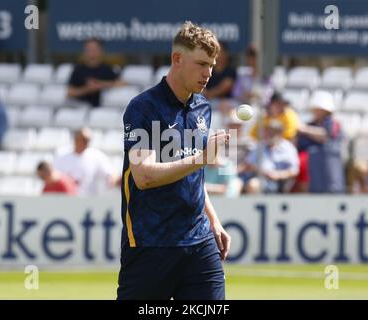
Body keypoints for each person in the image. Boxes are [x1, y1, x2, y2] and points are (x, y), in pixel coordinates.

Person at [117, 21, 231, 300]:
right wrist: (201, 158)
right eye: (202, 64)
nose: (208, 73)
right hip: (151, 242)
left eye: (212, 65)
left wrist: (213, 220)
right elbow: (144, 177)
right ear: (177, 59)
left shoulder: (203, 107)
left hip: (199, 241)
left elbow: (192, 175)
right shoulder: (143, 107)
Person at [297, 90, 345, 193]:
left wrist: (305, 130)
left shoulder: (333, 123)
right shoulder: (311, 124)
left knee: (332, 190)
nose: (317, 112)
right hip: (313, 171)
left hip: (330, 167)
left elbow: (325, 135)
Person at [238, 120, 299, 194]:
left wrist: (278, 174)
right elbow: (248, 164)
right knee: (237, 183)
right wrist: (260, 170)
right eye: (268, 131)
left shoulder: (288, 148)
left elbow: (294, 171)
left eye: (274, 132)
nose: (270, 134)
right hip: (257, 176)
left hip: (278, 182)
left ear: (280, 133)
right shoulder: (260, 146)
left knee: (253, 184)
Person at [53, 127, 118, 196]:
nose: (86, 143)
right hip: (65, 201)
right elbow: (53, 176)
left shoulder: (96, 155)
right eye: (84, 140)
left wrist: (112, 179)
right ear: (75, 139)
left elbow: (111, 173)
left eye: (88, 140)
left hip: (89, 202)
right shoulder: (61, 154)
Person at [67, 38, 125, 107]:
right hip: (80, 108)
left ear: (101, 50)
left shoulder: (107, 69)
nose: (91, 52)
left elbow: (121, 83)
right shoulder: (78, 70)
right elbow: (70, 92)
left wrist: (100, 85)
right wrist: (87, 89)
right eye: (88, 49)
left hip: (103, 109)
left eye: (94, 49)